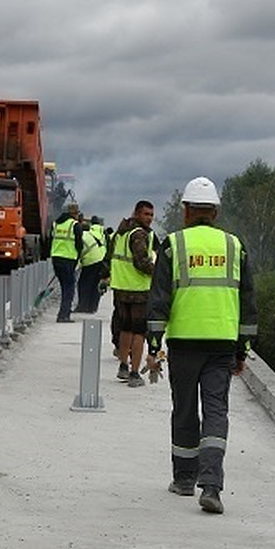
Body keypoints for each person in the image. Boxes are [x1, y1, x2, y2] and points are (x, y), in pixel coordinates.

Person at [146, 176, 258, 515]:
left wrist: (153, 347)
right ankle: (211, 486)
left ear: (185, 211)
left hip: (183, 343)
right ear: (216, 211)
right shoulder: (234, 246)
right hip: (222, 344)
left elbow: (159, 300)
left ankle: (183, 480)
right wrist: (243, 350)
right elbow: (248, 302)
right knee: (216, 413)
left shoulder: (173, 245)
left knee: (184, 410)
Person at [109, 200, 157, 386]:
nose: (150, 219)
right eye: (146, 214)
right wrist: (158, 273)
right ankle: (135, 373)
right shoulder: (139, 235)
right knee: (139, 333)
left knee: (125, 329)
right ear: (137, 213)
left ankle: (123, 366)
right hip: (138, 290)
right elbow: (141, 262)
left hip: (120, 288)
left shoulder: (121, 232)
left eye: (151, 215)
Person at [50, 201, 82, 322]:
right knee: (69, 288)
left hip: (56, 258)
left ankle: (63, 313)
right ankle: (64, 315)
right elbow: (79, 245)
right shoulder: (75, 225)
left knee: (64, 286)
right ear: (75, 214)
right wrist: (78, 258)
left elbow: (50, 240)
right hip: (68, 260)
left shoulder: (56, 224)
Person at [73, 214, 108, 314]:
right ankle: (92, 307)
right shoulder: (95, 234)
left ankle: (82, 306)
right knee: (95, 285)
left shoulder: (83, 236)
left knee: (83, 285)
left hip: (91, 261)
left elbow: (78, 251)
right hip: (100, 259)